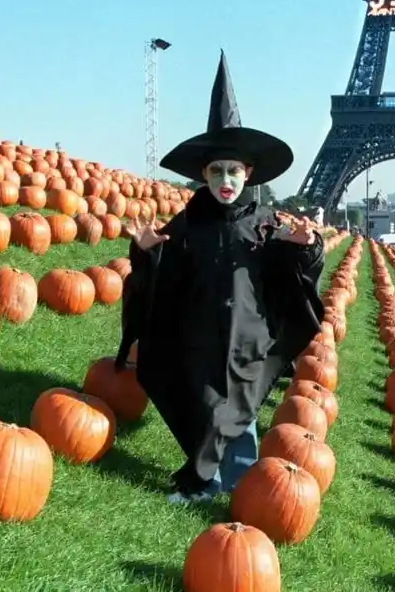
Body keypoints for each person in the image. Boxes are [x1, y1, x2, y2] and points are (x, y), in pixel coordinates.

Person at [114, 51, 326, 504]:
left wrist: (307, 249)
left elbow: (294, 274)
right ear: (203, 175)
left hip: (251, 336)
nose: (226, 180)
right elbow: (163, 272)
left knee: (242, 411)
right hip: (200, 332)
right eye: (216, 171)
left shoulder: (266, 221)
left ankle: (236, 484)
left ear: (248, 173)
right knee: (209, 408)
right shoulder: (190, 221)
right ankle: (207, 479)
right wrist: (146, 251)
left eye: (234, 171)